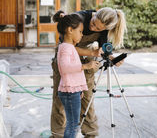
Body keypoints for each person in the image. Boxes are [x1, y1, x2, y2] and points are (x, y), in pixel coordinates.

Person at [51, 7, 127, 138]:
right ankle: (58, 134)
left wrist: (113, 58)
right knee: (60, 100)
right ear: (94, 14)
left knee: (87, 97)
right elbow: (68, 47)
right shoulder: (77, 19)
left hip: (85, 62)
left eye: (98, 29)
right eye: (93, 23)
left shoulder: (104, 30)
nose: (93, 28)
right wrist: (91, 53)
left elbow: (103, 50)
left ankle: (90, 133)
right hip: (66, 59)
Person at [55, 13, 100, 138]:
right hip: (69, 92)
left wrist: (79, 88)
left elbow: (73, 73)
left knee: (73, 123)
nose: (82, 34)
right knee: (73, 124)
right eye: (80, 31)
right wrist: (86, 66)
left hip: (72, 90)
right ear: (70, 30)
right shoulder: (66, 48)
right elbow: (64, 68)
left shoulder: (69, 47)